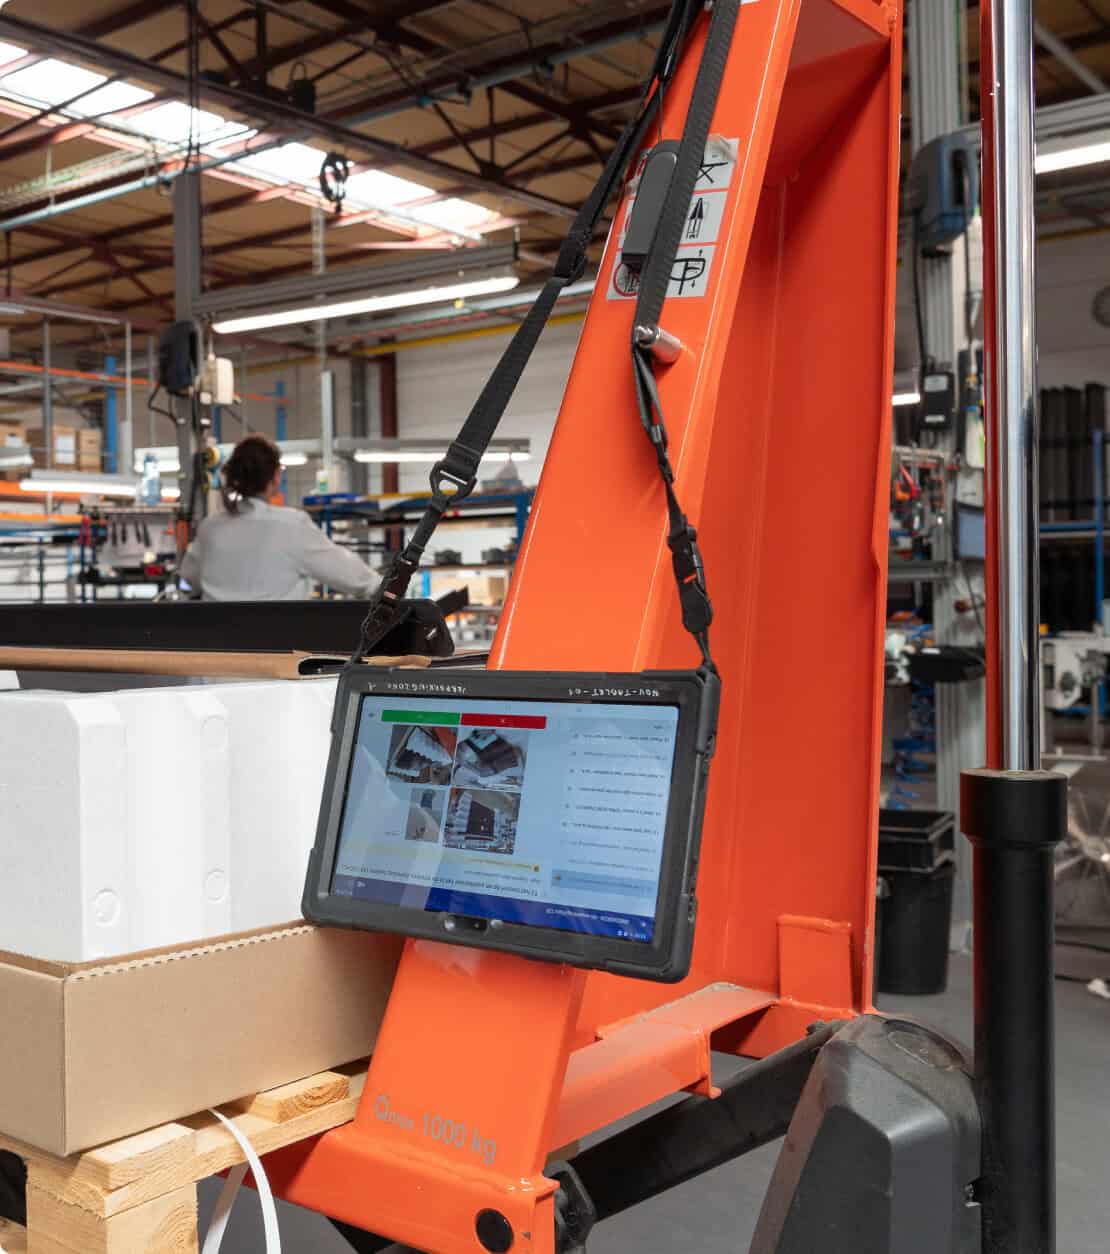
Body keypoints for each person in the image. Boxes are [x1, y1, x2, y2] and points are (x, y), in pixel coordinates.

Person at [179, 434, 377, 601]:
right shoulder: (292, 525)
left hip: (215, 644)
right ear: (274, 478)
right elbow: (353, 577)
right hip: (279, 644)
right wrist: (391, 588)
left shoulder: (210, 528)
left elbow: (189, 579)